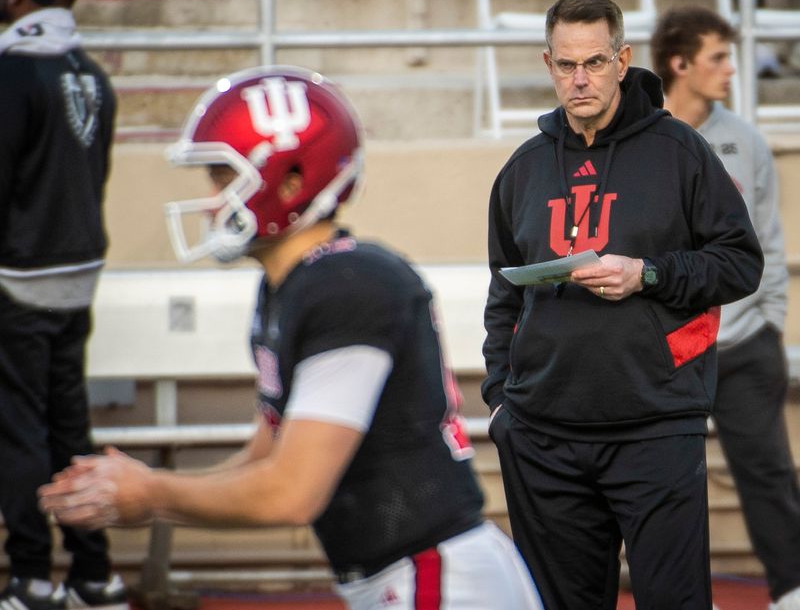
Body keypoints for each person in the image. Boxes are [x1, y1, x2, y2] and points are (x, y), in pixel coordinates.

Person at [38, 66, 544, 610]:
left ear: (291, 180)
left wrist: (152, 492)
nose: (212, 201)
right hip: (410, 573)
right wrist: (143, 489)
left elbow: (292, 492)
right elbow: (268, 455)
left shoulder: (347, 285)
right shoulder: (295, 286)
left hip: (436, 576)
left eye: (222, 176)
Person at [481, 0, 764, 610]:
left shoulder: (680, 153)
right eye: (565, 64)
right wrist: (502, 400)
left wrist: (649, 274)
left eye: (595, 61)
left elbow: (740, 264)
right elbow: (503, 294)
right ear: (548, 64)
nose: (580, 79)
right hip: (541, 438)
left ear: (622, 59)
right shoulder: (524, 169)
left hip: (655, 428)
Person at [651, 6, 800, 610]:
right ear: (678, 63)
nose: (729, 70)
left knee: (768, 477)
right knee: (662, 486)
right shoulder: (642, 142)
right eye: (716, 57)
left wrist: (771, 324)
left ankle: (792, 589)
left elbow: (767, 240)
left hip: (743, 344)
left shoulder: (746, 140)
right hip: (664, 350)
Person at [0, 0, 127, 610]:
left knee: (19, 429)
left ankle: (30, 577)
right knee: (69, 428)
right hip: (79, 274)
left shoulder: (11, 73)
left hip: (17, 278)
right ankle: (93, 573)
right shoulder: (94, 75)